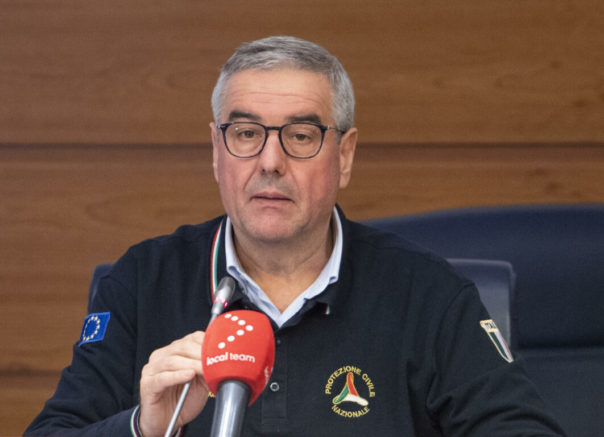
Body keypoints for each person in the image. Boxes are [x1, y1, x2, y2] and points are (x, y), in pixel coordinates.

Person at [25, 36, 566, 437]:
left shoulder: (428, 294)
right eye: (245, 133)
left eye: (301, 136)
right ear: (216, 153)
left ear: (344, 156)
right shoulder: (142, 283)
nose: (270, 162)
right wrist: (143, 428)